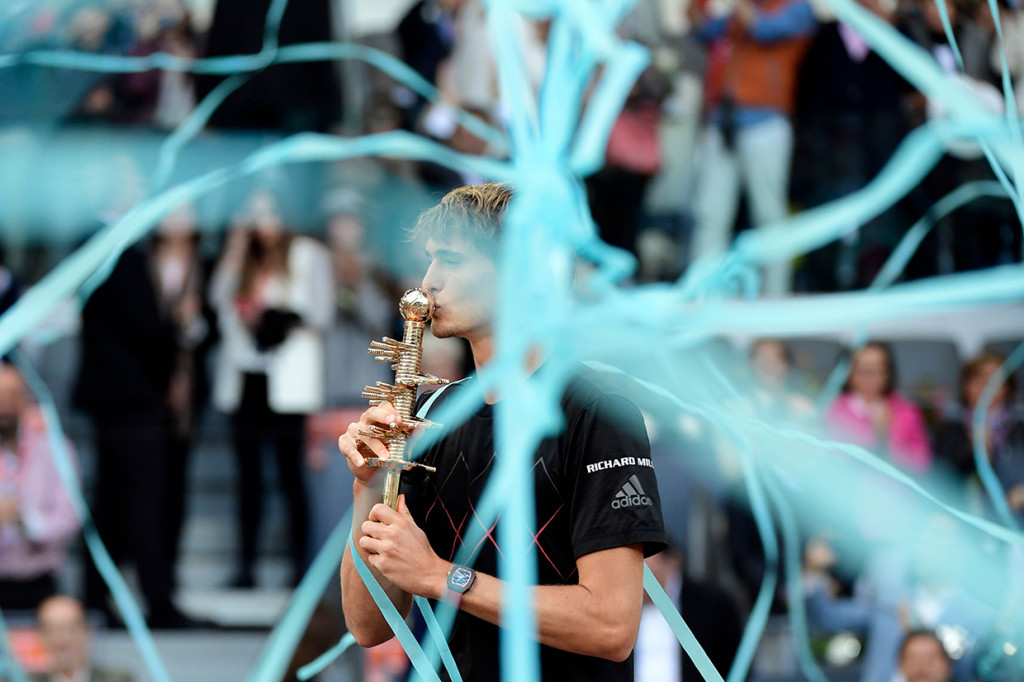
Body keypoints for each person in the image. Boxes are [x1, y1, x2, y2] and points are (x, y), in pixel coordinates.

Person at [338, 183, 668, 680]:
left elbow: (612, 625)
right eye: (429, 260)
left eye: (451, 260)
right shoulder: (432, 415)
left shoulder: (599, 414)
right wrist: (368, 484)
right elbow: (368, 625)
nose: (427, 283)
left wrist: (443, 577)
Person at [210, 187, 334, 587]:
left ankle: (300, 569)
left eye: (270, 212)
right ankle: (246, 566)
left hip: (287, 380)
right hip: (247, 378)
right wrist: (234, 248)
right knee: (248, 479)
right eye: (254, 213)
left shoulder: (307, 255)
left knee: (290, 477)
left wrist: (282, 317)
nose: (263, 223)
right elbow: (217, 301)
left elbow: (323, 313)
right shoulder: (242, 260)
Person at [0, 364, 79, 612]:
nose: (5, 406)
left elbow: (69, 517)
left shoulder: (55, 449)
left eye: (12, 396)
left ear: (27, 400)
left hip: (39, 581)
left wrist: (27, 522)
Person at [933, 351, 1024, 522]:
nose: (986, 385)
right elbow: (940, 482)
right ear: (966, 386)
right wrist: (975, 452)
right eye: (979, 378)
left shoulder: (1019, 429)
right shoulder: (951, 430)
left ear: (1007, 387)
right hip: (965, 521)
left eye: (994, 379)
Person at [825, 342, 932, 472]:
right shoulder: (834, 410)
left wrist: (885, 440)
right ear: (848, 373)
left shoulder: (906, 411)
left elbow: (921, 463)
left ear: (887, 374)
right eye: (862, 370)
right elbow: (832, 459)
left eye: (875, 371)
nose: (868, 378)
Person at [32, 595, 133, 682]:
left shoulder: (117, 679)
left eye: (71, 628)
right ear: (41, 636)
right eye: (52, 630)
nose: (62, 639)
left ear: (87, 631)